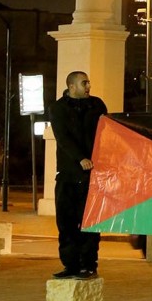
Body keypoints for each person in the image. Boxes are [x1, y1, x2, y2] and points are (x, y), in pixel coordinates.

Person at [49, 71, 107, 279]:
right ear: (72, 86)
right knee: (66, 222)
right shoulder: (58, 108)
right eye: (84, 83)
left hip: (93, 176)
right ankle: (70, 265)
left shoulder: (97, 105)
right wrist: (80, 158)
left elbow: (106, 130)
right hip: (68, 174)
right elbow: (62, 137)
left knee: (90, 222)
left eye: (89, 82)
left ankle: (88, 265)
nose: (89, 86)